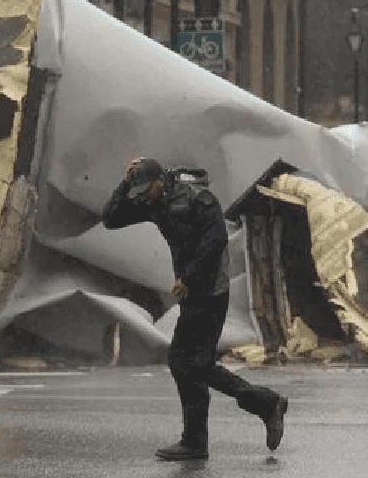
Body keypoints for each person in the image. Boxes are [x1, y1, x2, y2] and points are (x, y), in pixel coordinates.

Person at [102, 157, 288, 461]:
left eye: (144, 190)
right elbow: (111, 219)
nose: (143, 198)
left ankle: (262, 406)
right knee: (187, 363)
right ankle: (198, 439)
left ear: (159, 181)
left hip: (211, 291)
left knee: (190, 363)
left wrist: (188, 278)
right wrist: (125, 183)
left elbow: (215, 242)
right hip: (192, 292)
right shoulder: (155, 201)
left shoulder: (198, 199)